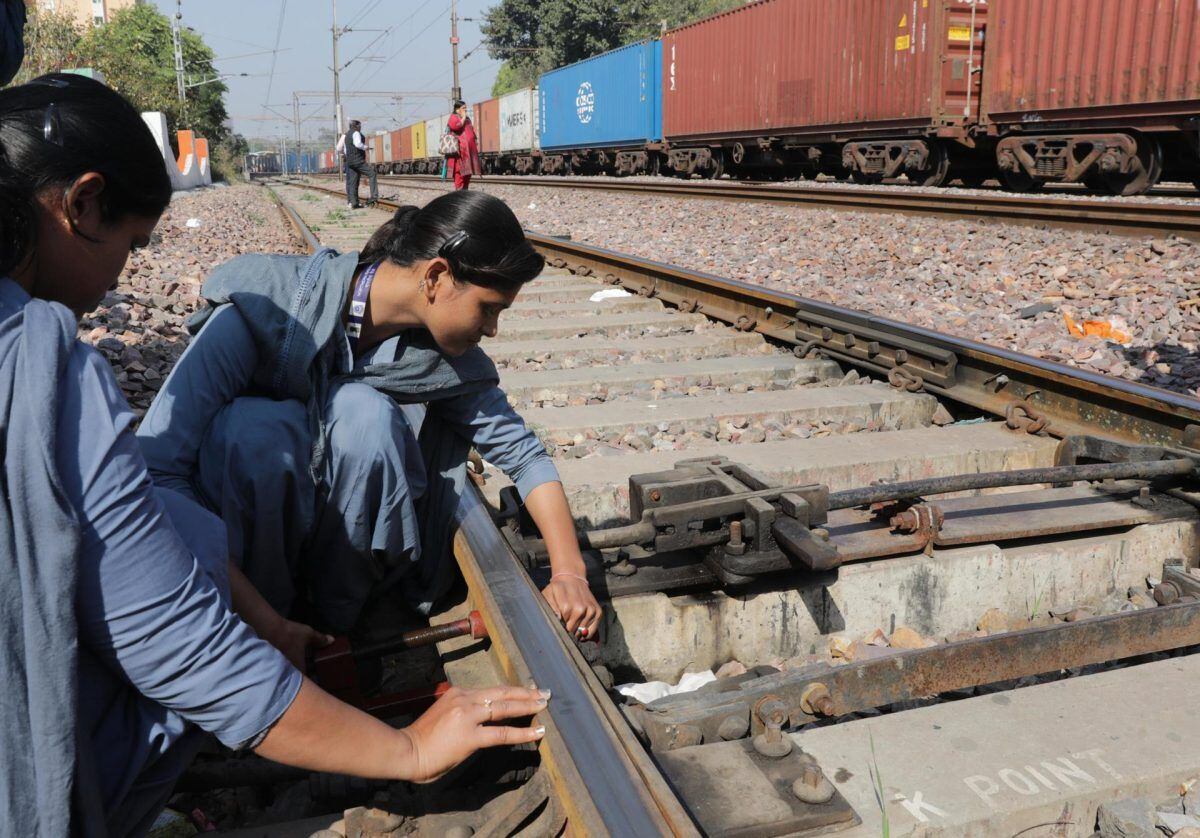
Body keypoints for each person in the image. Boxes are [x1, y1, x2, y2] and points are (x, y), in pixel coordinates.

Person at [0, 73, 547, 837]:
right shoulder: (46, 369)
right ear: (82, 204)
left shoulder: (440, 358)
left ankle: (327, 631)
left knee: (329, 427)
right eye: (132, 244)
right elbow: (180, 644)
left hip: (293, 581)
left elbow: (518, 443)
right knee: (237, 456)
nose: (126, 271)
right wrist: (406, 749)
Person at [137, 190, 603, 648]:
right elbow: (157, 468)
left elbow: (523, 456)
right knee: (255, 431)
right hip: (234, 573)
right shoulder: (266, 307)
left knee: (365, 417)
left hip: (341, 577)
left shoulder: (437, 357)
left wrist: (568, 573)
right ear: (436, 276)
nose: (491, 329)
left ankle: (334, 630)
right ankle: (263, 629)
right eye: (489, 308)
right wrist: (262, 620)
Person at [336, 118, 378, 208]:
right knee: (372, 174)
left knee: (352, 182)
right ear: (356, 126)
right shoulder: (356, 133)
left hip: (349, 161)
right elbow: (358, 144)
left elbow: (338, 148)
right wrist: (366, 147)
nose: (360, 127)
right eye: (360, 126)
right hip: (357, 160)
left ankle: (353, 203)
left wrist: (343, 154)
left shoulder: (345, 135)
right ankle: (374, 196)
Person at [446, 100, 480, 190]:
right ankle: (459, 193)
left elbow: (471, 131)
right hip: (459, 153)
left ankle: (465, 191)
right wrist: (463, 118)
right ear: (457, 109)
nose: (465, 110)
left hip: (468, 152)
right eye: (463, 108)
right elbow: (456, 126)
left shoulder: (467, 119)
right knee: (459, 172)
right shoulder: (453, 117)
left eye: (466, 108)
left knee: (468, 173)